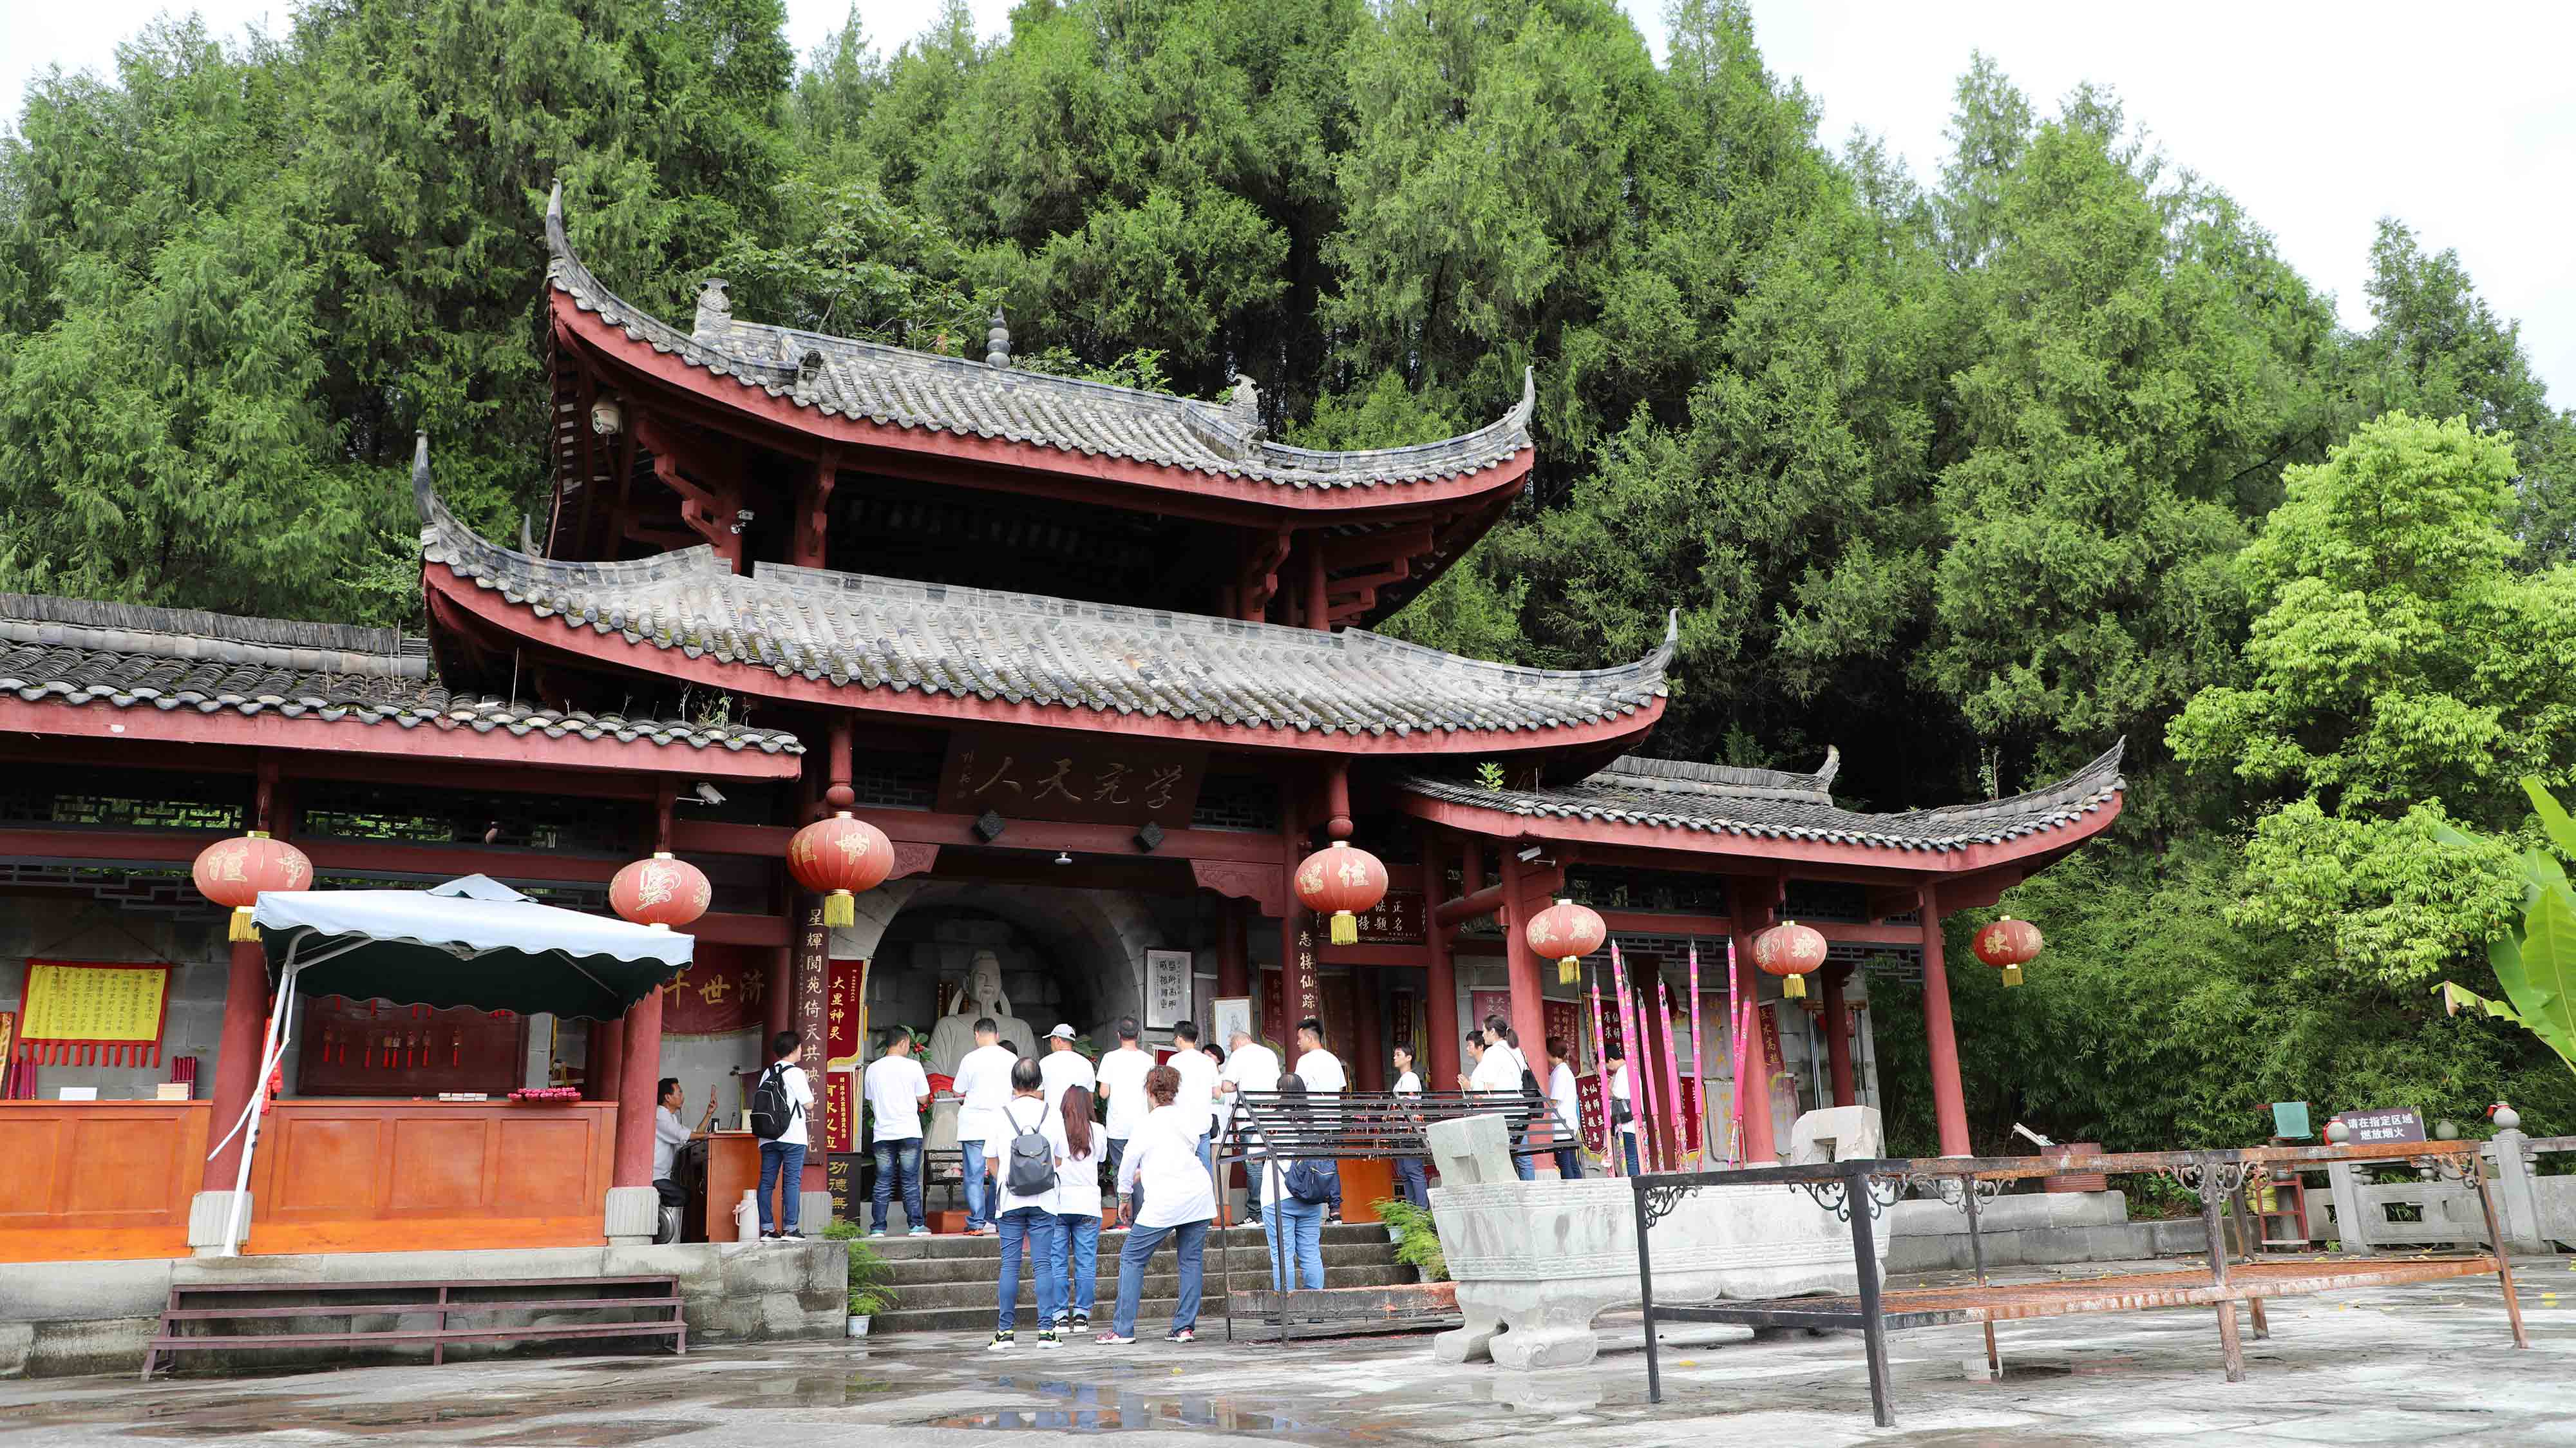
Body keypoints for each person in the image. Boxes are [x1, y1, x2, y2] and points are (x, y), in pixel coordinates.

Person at [1101, 1064, 1215, 1345]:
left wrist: (1124, 1197)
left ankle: (1123, 1329)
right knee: (1190, 1261)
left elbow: (1127, 1163)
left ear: (1149, 1092)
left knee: (1132, 1257)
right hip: (1198, 1194)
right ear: (1175, 1091)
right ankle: (1184, 1327)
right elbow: (1184, 1152)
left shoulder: (1147, 1124)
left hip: (1166, 1199)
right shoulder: (1187, 1118)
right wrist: (1147, 1171)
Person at [987, 1056, 1066, 1349]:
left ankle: (1005, 1333)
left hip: (1010, 1199)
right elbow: (1059, 1159)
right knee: (1043, 1263)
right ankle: (1046, 1331)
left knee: (1010, 1264)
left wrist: (1009, 1178)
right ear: (1039, 1083)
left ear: (1013, 1083)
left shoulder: (1001, 1114)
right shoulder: (1051, 1113)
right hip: (1045, 1199)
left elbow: (991, 1160)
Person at [1253, 1072, 1325, 1292]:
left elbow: (1253, 1155)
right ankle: (1316, 1305)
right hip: (1310, 1195)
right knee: (1311, 1253)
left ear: (1280, 1092)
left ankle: (1287, 1306)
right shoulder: (1313, 1122)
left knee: (1282, 1256)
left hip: (1277, 1195)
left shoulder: (1272, 1120)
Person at [864, 1029, 933, 1237]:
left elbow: (870, 1098)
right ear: (903, 1043)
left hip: (883, 1133)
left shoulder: (873, 1069)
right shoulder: (913, 1066)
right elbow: (924, 1098)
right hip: (908, 1131)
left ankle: (878, 1227)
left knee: (883, 1180)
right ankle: (915, 1226)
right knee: (909, 1180)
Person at [952, 1018, 1017, 1235]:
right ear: (997, 1035)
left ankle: (977, 1222)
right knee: (1001, 1172)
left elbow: (958, 1091)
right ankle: (996, 1217)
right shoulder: (1011, 1059)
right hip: (1002, 1125)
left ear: (977, 1035)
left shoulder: (970, 1059)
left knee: (974, 1175)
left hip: (974, 1125)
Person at [1052, 1083, 1104, 1335]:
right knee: (1086, 1262)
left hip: (1058, 1203)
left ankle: (1060, 1316)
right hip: (1088, 1205)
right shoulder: (1098, 1131)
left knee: (1057, 1261)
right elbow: (1101, 1158)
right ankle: (1082, 1315)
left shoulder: (1055, 1129)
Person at [752, 1031, 814, 1240]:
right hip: (792, 1136)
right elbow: (808, 1103)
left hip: (768, 1137)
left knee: (766, 1182)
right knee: (792, 1182)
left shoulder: (767, 1073)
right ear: (795, 1049)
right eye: (800, 1047)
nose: (802, 1050)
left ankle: (767, 1229)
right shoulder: (796, 1073)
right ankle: (790, 1228)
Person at [1095, 1018, 1153, 1226]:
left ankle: (1124, 1221)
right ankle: (1143, 1219)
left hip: (1118, 1126)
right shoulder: (1148, 1060)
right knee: (1143, 1171)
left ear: (1118, 1035)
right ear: (1138, 1035)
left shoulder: (1110, 1059)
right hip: (1143, 1125)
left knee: (1122, 1170)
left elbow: (1104, 1093)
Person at [1463, 1015, 1535, 1181]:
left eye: (1484, 1031)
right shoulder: (1516, 1050)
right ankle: (1529, 1192)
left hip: (1501, 1112)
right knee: (1524, 1158)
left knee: (1500, 1160)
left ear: (1493, 1031)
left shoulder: (1492, 1053)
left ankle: (1508, 1193)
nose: (1483, 1035)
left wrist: (1472, 1088)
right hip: (1519, 1110)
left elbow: (1489, 1087)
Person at [1217, 1025, 1282, 1211]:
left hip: (1249, 1116)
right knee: (1269, 1163)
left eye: (1231, 1048)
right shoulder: (1269, 1054)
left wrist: (1240, 1085)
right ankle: (1271, 1208)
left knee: (1253, 1164)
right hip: (1271, 1116)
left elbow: (1226, 1086)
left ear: (1237, 1043)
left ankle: (1256, 1211)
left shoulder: (1240, 1054)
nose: (1232, 1051)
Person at [1292, 1019, 1347, 1220]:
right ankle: (1335, 1209)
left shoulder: (1305, 1061)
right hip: (1333, 1120)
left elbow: (1297, 1090)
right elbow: (1340, 1089)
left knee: (1309, 1162)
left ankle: (1308, 1203)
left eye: (1300, 1038)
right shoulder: (1333, 1060)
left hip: (1313, 1120)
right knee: (1330, 1162)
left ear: (1309, 1037)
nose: (1298, 1043)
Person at [653, 1077, 712, 1244]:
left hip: (662, 1176)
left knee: (684, 1194)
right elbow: (684, 1135)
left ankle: (669, 1236)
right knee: (683, 1195)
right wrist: (710, 1135)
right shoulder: (660, 1115)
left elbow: (691, 1135)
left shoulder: (670, 1117)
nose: (683, 1096)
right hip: (654, 1176)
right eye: (679, 1093)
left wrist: (709, 1114)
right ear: (668, 1097)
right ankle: (666, 1237)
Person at [1168, 1022, 1222, 1176]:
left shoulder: (1174, 1061)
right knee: (1204, 1169)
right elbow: (1217, 1093)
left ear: (1179, 1039)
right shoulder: (1208, 1062)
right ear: (1196, 1039)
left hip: (1181, 1126)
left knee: (1182, 1170)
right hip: (1203, 1124)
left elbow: (1169, 1091)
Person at [1388, 1044, 1430, 1210]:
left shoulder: (1411, 1078)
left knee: (1413, 1170)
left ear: (1409, 1058)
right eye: (1394, 1054)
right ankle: (1412, 1210)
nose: (1395, 1057)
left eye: (1398, 1054)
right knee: (1405, 1172)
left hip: (1409, 1130)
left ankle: (1421, 1209)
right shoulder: (1402, 1079)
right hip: (1401, 1130)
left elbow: (1406, 1103)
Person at [1544, 1036, 1584, 1181]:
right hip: (1568, 1124)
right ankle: (1580, 1189)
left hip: (1562, 1126)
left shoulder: (1560, 1073)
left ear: (1551, 1053)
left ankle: (1572, 1191)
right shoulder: (1564, 1071)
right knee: (1572, 1163)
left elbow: (1555, 1100)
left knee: (1565, 1165)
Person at [1039, 1024, 1096, 1117]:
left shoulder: (1044, 1063)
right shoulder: (1087, 1064)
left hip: (1052, 1120)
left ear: (1058, 1040)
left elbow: (1039, 1095)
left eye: (1051, 1040)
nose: (1050, 1045)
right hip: (1078, 1121)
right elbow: (1089, 1098)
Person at [1607, 1042, 1641, 1176]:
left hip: (1627, 1124)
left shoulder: (1622, 1072)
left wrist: (1607, 1086)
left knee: (1630, 1160)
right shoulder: (1630, 1069)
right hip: (1634, 1121)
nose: (1608, 1069)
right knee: (1635, 1159)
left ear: (1610, 1060)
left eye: (1607, 1066)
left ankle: (1635, 1186)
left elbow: (1617, 1095)